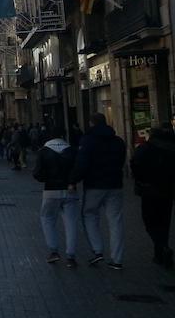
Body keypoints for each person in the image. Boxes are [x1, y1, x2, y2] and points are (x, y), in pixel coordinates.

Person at [70, 113, 126, 269]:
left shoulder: (88, 140)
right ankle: (117, 259)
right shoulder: (118, 141)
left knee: (89, 215)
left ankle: (97, 250)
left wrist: (73, 180)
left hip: (94, 185)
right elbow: (121, 161)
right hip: (115, 184)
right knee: (115, 220)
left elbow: (82, 163)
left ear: (91, 123)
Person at [131, 122, 175, 267]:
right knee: (164, 222)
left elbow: (135, 164)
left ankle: (161, 247)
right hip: (168, 190)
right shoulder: (172, 148)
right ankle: (160, 252)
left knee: (149, 221)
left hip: (149, 189)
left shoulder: (146, 148)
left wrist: (140, 180)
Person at [33, 130, 79, 267]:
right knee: (71, 223)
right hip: (70, 190)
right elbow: (78, 169)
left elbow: (37, 173)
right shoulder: (71, 151)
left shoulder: (43, 151)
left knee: (47, 219)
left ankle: (53, 251)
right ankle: (71, 256)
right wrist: (72, 181)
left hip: (51, 190)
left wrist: (47, 178)